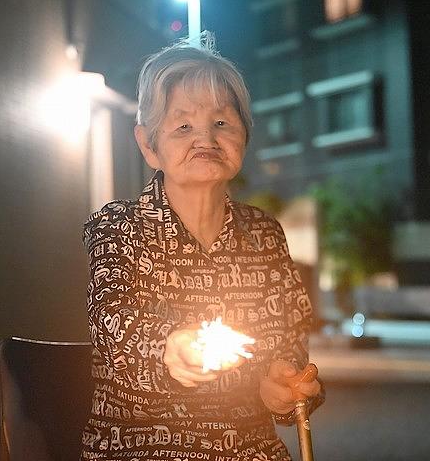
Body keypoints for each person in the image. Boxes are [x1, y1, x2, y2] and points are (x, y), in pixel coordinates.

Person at [80, 33, 323, 461]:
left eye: (222, 122)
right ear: (148, 145)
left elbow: (287, 343)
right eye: (183, 126)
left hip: (249, 449)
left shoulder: (265, 235)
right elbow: (115, 326)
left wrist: (283, 385)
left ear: (244, 136)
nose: (206, 138)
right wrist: (171, 350)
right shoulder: (119, 227)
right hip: (144, 448)